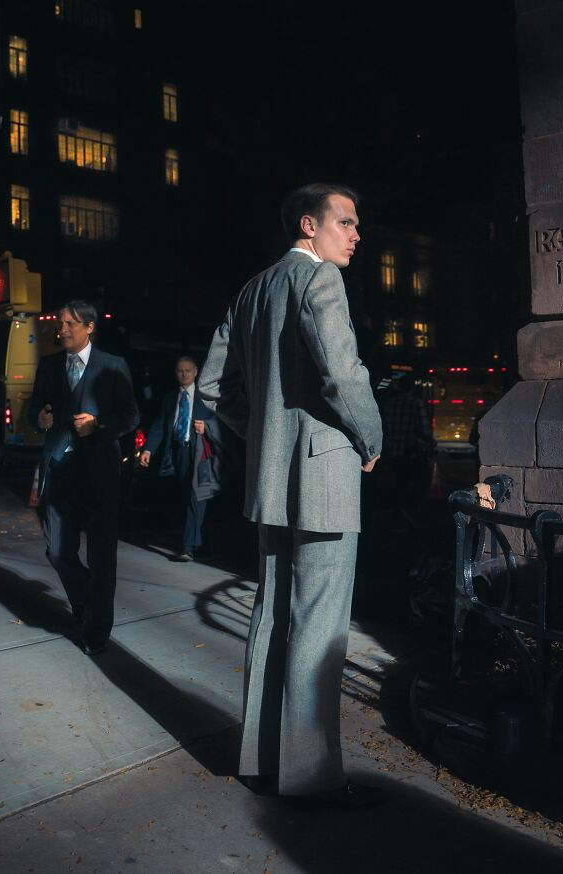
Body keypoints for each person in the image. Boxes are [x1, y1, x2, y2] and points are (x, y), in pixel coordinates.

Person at [198, 183, 383, 806]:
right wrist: (371, 435)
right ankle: (310, 778)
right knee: (320, 624)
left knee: (274, 612)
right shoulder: (320, 280)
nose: (357, 235)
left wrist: (264, 437)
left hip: (271, 478)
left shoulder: (253, 290)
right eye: (347, 223)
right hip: (325, 472)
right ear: (309, 225)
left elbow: (211, 387)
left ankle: (259, 761)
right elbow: (342, 372)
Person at [28, 300, 139, 655]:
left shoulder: (113, 365)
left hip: (100, 477)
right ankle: (87, 599)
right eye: (60, 324)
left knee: (102, 558)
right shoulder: (48, 366)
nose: (62, 330)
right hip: (60, 474)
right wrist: (39, 418)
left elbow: (131, 415)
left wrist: (100, 426)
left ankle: (97, 631)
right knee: (58, 551)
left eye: (70, 324)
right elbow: (34, 409)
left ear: (89, 327)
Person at [139, 356, 221, 561]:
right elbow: (160, 425)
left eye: (187, 370)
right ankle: (199, 542)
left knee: (197, 495)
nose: (184, 374)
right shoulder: (169, 398)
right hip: (178, 452)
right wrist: (148, 450)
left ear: (196, 372)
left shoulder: (206, 398)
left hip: (201, 453)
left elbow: (225, 424)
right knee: (188, 497)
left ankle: (188, 547)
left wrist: (208, 428)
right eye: (179, 371)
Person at [379, 373, 435, 524]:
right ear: (412, 387)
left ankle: (397, 517)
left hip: (393, 451)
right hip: (411, 452)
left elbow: (384, 428)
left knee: (397, 484)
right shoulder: (416, 403)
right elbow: (425, 431)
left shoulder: (390, 404)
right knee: (413, 486)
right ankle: (409, 518)